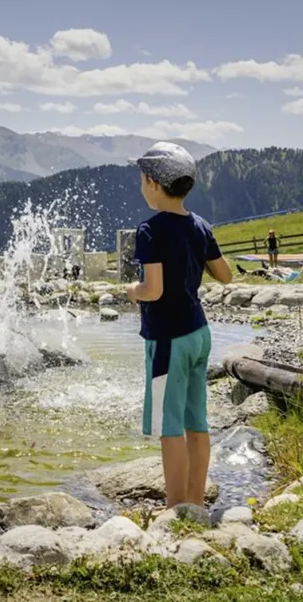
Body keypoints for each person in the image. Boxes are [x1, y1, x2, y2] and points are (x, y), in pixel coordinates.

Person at [125, 142, 233, 509]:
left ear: (153, 183)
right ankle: (196, 502)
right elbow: (225, 275)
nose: (142, 185)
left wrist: (133, 291)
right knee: (196, 420)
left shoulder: (150, 230)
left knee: (169, 426)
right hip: (198, 334)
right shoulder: (200, 225)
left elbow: (153, 289)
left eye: (142, 178)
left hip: (168, 338)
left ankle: (175, 509)